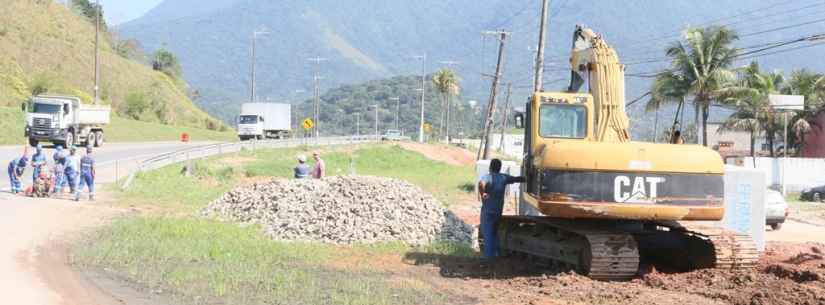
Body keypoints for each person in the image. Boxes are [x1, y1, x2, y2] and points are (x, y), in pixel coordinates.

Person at [477, 159, 525, 260]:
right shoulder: (503, 177)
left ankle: (489, 258)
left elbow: (481, 183)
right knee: (495, 233)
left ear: (490, 167)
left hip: (488, 212)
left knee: (488, 233)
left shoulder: (488, 176)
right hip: (498, 212)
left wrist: (483, 193)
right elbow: (517, 179)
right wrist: (527, 177)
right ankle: (497, 254)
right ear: (499, 168)